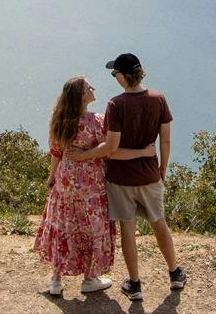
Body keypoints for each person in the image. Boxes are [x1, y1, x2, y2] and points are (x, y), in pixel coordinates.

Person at [33, 76, 153, 297]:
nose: (93, 88)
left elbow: (55, 152)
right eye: (88, 87)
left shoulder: (58, 120)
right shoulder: (95, 121)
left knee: (64, 225)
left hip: (66, 179)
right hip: (91, 183)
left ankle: (56, 281)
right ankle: (89, 279)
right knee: (91, 228)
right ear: (81, 95)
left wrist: (52, 177)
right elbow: (109, 149)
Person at [98, 52, 186, 303]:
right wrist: (162, 169)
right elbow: (165, 140)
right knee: (159, 223)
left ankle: (135, 284)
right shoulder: (159, 99)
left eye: (115, 73)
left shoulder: (115, 104)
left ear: (124, 77)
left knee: (128, 229)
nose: (114, 77)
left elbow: (111, 149)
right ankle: (174, 273)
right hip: (149, 176)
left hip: (120, 179)